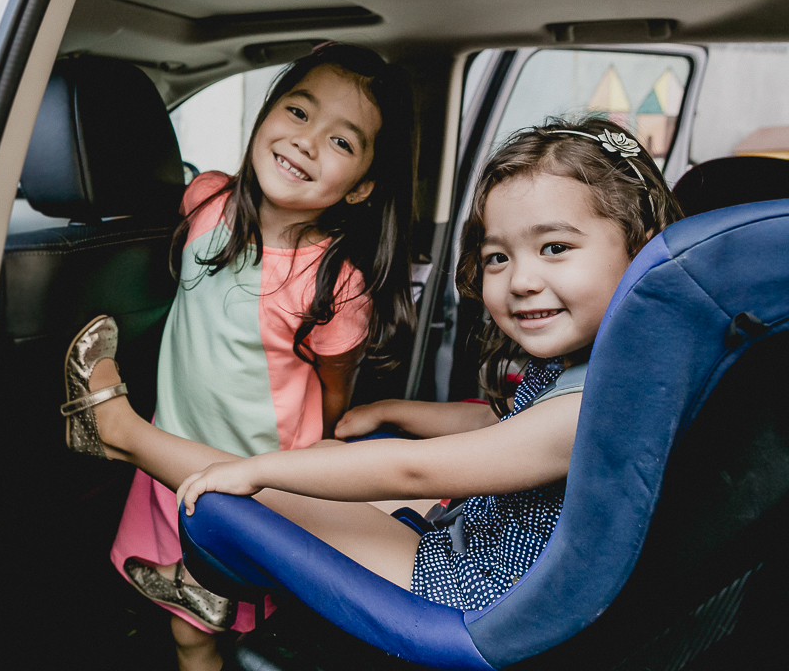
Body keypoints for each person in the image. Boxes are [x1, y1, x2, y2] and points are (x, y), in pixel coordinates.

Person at [60, 117, 683, 645]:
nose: (519, 280)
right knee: (325, 459)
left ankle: (118, 433)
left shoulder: (599, 406)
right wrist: (396, 410)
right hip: (485, 536)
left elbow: (418, 473)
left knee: (251, 492)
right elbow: (507, 424)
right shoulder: (607, 366)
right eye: (498, 256)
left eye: (554, 248)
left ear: (646, 250)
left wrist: (263, 469)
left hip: (479, 598)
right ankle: (205, 586)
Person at [66, 44, 417, 671]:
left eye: (342, 142)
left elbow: (334, 384)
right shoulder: (206, 201)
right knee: (186, 622)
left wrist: (320, 447)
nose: (307, 142)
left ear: (362, 187)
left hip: (255, 469)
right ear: (266, 116)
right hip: (170, 448)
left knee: (219, 615)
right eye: (299, 112)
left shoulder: (334, 282)